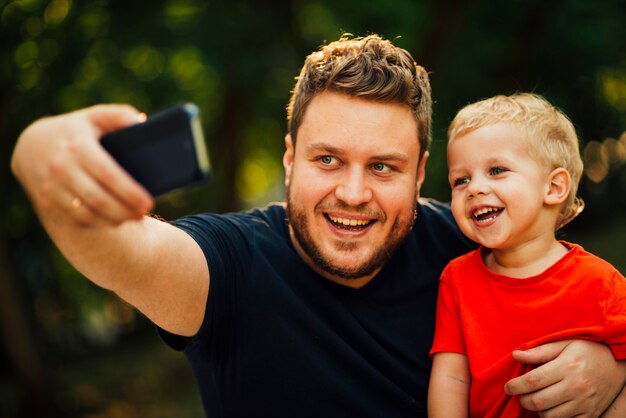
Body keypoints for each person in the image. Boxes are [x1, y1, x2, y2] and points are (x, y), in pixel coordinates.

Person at [10, 35, 626, 417]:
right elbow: (122, 251)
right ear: (289, 158)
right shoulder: (230, 269)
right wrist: (38, 154)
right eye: (327, 159)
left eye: (383, 166)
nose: (352, 194)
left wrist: (615, 373)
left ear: (420, 175)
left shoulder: (469, 244)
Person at [428, 93, 626, 417]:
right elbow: (451, 376)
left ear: (554, 188)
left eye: (496, 170)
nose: (475, 187)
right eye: (460, 179)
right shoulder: (457, 278)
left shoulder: (600, 284)